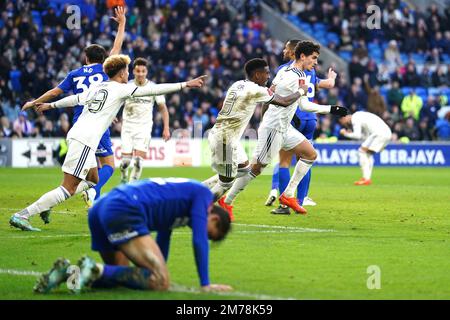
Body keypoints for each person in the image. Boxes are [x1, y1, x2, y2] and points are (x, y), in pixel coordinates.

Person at [9, 54, 207, 231]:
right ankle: (23, 215)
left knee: (93, 180)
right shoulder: (121, 89)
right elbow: (154, 90)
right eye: (127, 71)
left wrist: (50, 105)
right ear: (121, 73)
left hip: (79, 135)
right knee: (68, 188)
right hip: (85, 140)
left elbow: (74, 99)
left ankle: (47, 205)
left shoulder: (98, 87)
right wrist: (185, 84)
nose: (129, 74)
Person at [34, 178, 232, 293]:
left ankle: (70, 273)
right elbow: (198, 240)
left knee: (123, 275)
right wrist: (205, 283)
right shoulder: (203, 196)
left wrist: (154, 265)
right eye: (211, 235)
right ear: (214, 219)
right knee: (161, 281)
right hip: (125, 208)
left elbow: (164, 234)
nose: (206, 237)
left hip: (102, 207)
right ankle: (92, 269)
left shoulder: (180, 205)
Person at [218, 41, 348, 217]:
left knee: (310, 155)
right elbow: (275, 96)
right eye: (314, 58)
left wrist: (332, 109)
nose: (316, 62)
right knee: (256, 169)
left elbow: (304, 104)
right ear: (302, 56)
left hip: (284, 127)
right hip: (274, 127)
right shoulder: (290, 75)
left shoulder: (296, 73)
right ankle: (227, 201)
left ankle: (287, 195)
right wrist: (267, 121)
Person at [22, 7, 126, 206]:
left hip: (78, 122)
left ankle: (73, 199)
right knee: (109, 166)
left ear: (86, 58)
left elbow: (54, 92)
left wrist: (34, 102)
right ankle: (93, 193)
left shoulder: (74, 73)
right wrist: (121, 24)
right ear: (104, 60)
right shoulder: (106, 70)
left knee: (87, 173)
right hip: (96, 123)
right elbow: (117, 47)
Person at [202, 58, 308, 220]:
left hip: (225, 136)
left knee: (244, 169)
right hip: (225, 140)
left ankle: (198, 188)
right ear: (257, 74)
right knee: (227, 183)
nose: (268, 76)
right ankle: (199, 208)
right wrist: (301, 91)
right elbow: (284, 102)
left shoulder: (237, 84)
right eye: (266, 73)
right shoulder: (256, 90)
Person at [265, 39, 337, 215]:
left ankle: (283, 204)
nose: (283, 51)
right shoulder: (310, 72)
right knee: (306, 159)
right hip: (310, 120)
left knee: (283, 162)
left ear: (293, 52)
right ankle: (301, 199)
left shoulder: (286, 70)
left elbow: (271, 94)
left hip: (293, 118)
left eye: (286, 49)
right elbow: (326, 85)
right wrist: (332, 80)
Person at [118, 57, 170, 184]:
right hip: (128, 128)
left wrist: (166, 128)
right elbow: (116, 102)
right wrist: (112, 114)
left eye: (143, 71)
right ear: (134, 72)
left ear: (146, 72)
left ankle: (130, 188)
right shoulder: (127, 86)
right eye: (138, 71)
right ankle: (123, 175)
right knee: (125, 162)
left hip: (144, 128)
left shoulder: (153, 88)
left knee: (138, 162)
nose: (140, 74)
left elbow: (163, 109)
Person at [339, 111, 392, 185]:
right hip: (386, 133)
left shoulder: (355, 118)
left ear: (345, 117)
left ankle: (366, 178)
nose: (343, 124)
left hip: (379, 133)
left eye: (342, 121)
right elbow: (365, 137)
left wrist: (346, 134)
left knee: (361, 151)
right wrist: (350, 133)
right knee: (367, 154)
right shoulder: (360, 116)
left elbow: (357, 136)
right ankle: (367, 179)